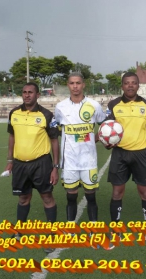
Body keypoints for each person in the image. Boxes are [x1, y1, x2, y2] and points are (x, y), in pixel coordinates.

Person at [104, 72, 146, 249]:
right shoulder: (113, 105)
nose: (130, 86)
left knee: (145, 193)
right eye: (127, 83)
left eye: (133, 83)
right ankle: (115, 231)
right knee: (117, 193)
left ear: (138, 85)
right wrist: (107, 143)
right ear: (122, 86)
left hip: (141, 155)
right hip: (120, 154)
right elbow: (107, 128)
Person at [4, 82, 59, 254]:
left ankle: (52, 235)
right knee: (23, 199)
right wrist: (10, 159)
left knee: (47, 197)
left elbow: (54, 141)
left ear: (37, 95)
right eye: (24, 92)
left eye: (30, 92)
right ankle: (19, 232)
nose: (27, 95)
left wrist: (55, 166)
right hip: (20, 164)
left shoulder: (47, 115)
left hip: (41, 163)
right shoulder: (14, 113)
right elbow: (12, 137)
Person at [55, 72, 106, 243]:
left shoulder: (93, 105)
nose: (75, 86)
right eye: (71, 83)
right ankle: (70, 228)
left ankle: (94, 229)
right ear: (68, 85)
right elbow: (56, 129)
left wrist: (98, 138)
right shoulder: (60, 107)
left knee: (91, 196)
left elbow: (104, 125)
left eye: (78, 83)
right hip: (69, 161)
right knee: (71, 196)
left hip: (89, 160)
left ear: (83, 84)